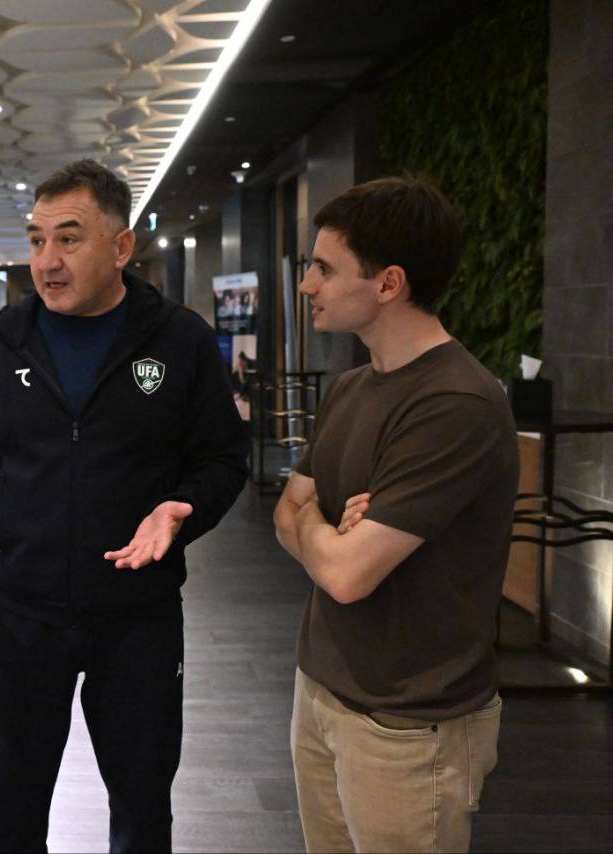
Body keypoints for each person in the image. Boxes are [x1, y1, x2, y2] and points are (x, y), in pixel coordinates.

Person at [0, 159, 249, 852]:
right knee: (9, 808)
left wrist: (182, 509)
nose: (47, 261)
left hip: (139, 615)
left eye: (68, 239)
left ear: (121, 246)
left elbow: (221, 459)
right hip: (25, 611)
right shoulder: (4, 340)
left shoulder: (178, 338)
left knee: (142, 805)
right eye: (37, 240)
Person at [273, 177, 518, 853]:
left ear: (388, 283)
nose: (308, 285)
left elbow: (346, 574)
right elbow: (285, 512)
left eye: (325, 269)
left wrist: (316, 526)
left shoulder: (455, 403)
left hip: (409, 723)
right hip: (321, 687)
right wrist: (328, 531)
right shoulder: (351, 387)